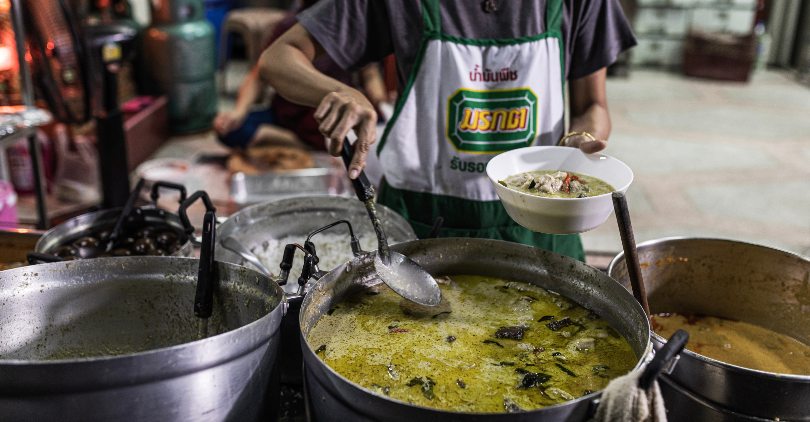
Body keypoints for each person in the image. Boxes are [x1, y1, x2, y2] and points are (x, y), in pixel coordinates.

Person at [260, 0, 636, 261]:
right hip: (422, 229)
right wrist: (338, 90)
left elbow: (593, 107)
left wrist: (580, 141)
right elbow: (279, 57)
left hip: (542, 227)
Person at [213, 0, 389, 151]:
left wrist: (381, 103)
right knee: (229, 129)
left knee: (373, 129)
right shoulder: (288, 27)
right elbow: (260, 72)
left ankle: (305, 143)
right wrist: (239, 111)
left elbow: (370, 74)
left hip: (328, 113)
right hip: (289, 113)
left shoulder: (350, 25)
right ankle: (307, 144)